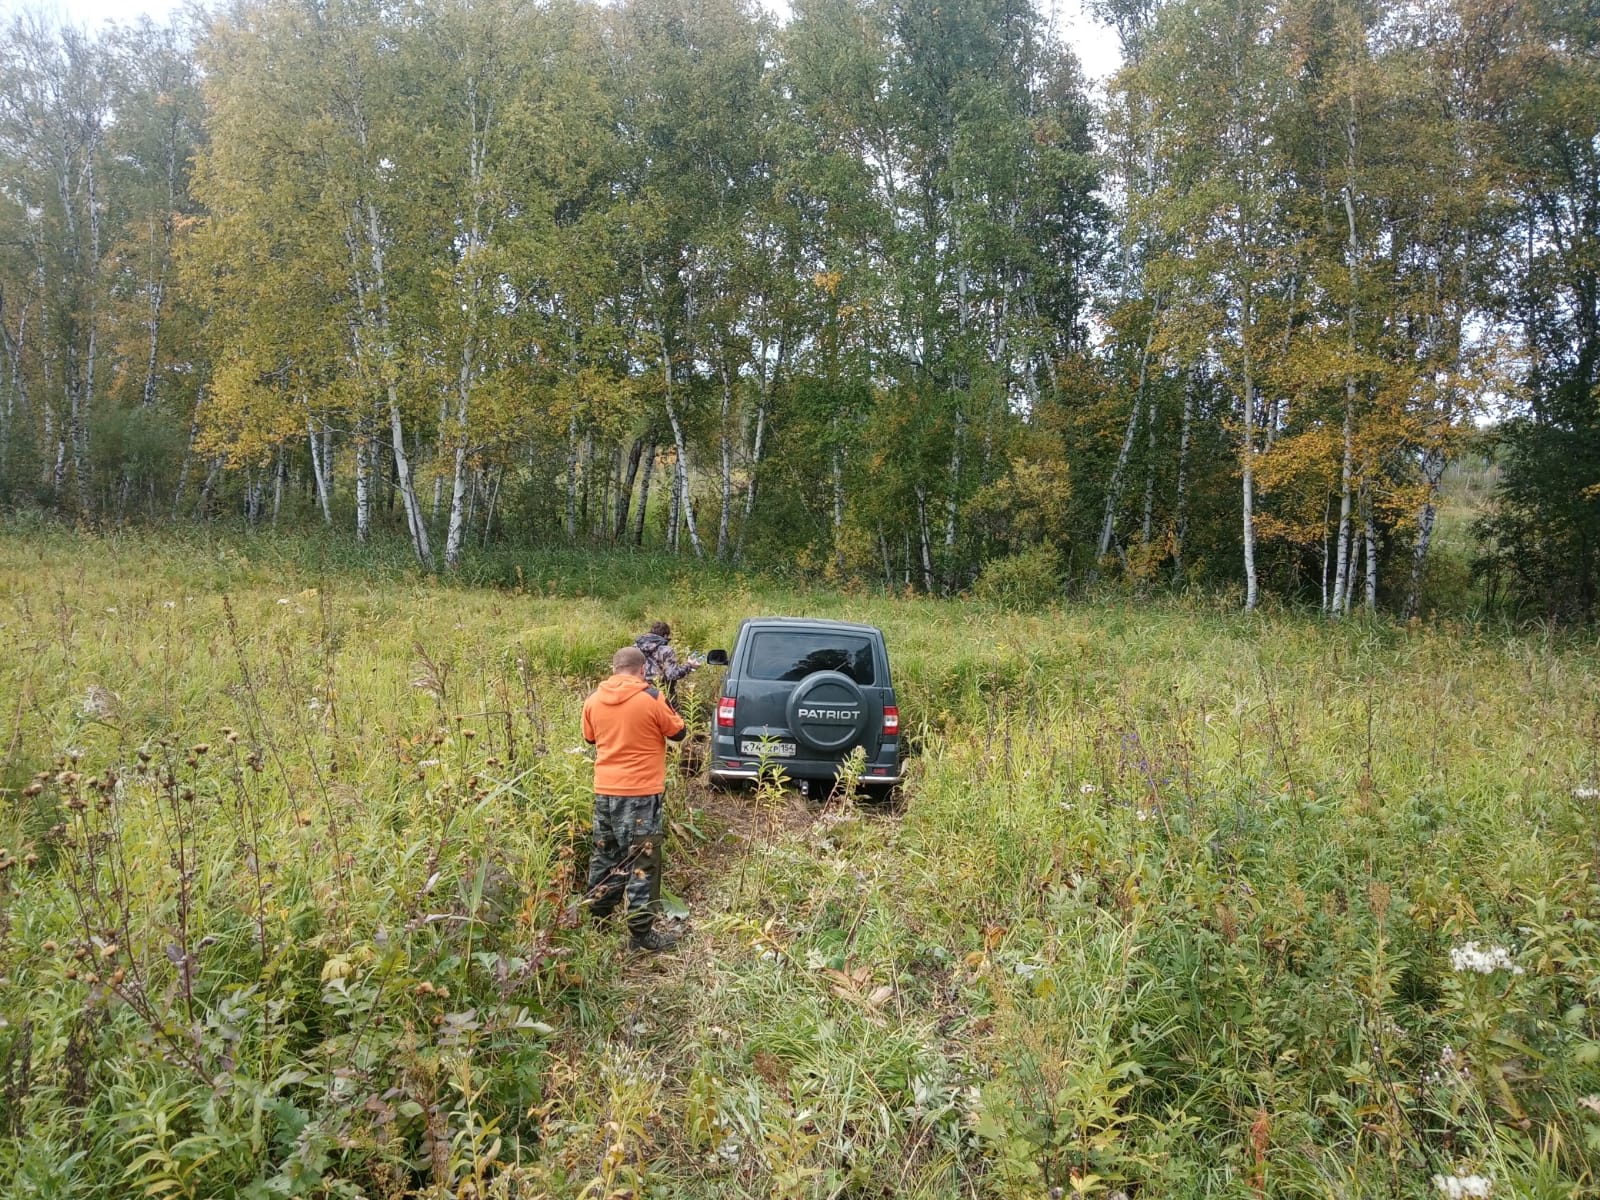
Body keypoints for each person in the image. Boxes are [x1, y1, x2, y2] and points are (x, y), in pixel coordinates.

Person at [580, 645, 687, 952]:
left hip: (605, 792)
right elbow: (678, 732)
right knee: (643, 861)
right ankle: (640, 935)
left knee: (606, 856)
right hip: (640, 794)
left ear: (614, 669)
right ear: (643, 670)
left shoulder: (593, 700)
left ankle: (597, 919)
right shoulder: (651, 698)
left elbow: (590, 738)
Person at [634, 621, 700, 707]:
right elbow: (672, 675)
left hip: (638, 692)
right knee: (673, 718)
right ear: (665, 635)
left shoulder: (634, 648)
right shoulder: (666, 650)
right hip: (663, 694)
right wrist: (689, 666)